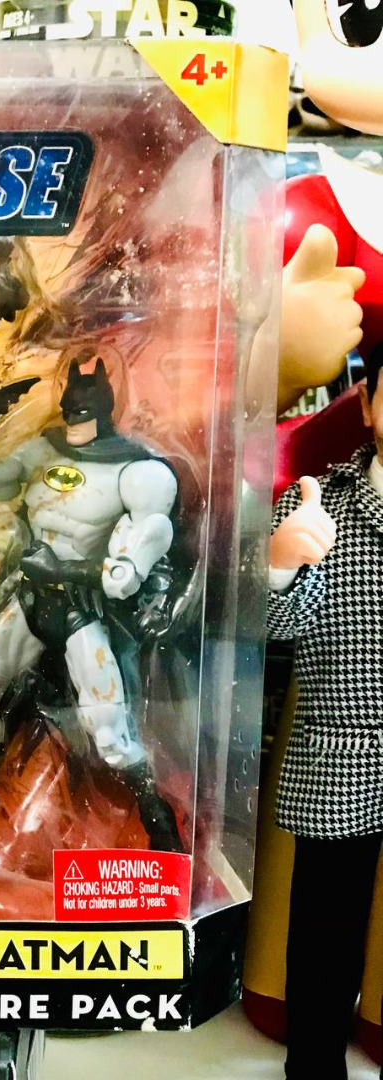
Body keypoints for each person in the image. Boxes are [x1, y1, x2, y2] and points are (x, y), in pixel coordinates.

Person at [0, 356, 183, 852]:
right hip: (31, 599)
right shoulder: (41, 452)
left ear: (105, 408)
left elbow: (124, 576)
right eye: (69, 407)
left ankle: (160, 824)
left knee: (110, 733)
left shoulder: (138, 473)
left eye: (84, 409)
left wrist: (66, 572)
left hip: (83, 610)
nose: (73, 416)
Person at [267, 353, 383, 1080]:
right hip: (345, 752)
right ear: (366, 404)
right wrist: (280, 566)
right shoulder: (322, 504)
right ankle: (313, 1065)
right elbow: (275, 626)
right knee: (325, 929)